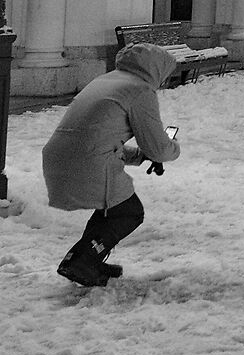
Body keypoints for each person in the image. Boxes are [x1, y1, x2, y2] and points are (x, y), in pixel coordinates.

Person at [41, 42, 181, 287]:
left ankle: (88, 259)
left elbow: (97, 136)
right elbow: (159, 147)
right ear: (156, 69)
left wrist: (140, 155)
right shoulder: (140, 90)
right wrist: (171, 149)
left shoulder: (107, 80)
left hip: (60, 155)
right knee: (129, 212)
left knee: (112, 209)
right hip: (88, 161)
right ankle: (81, 260)